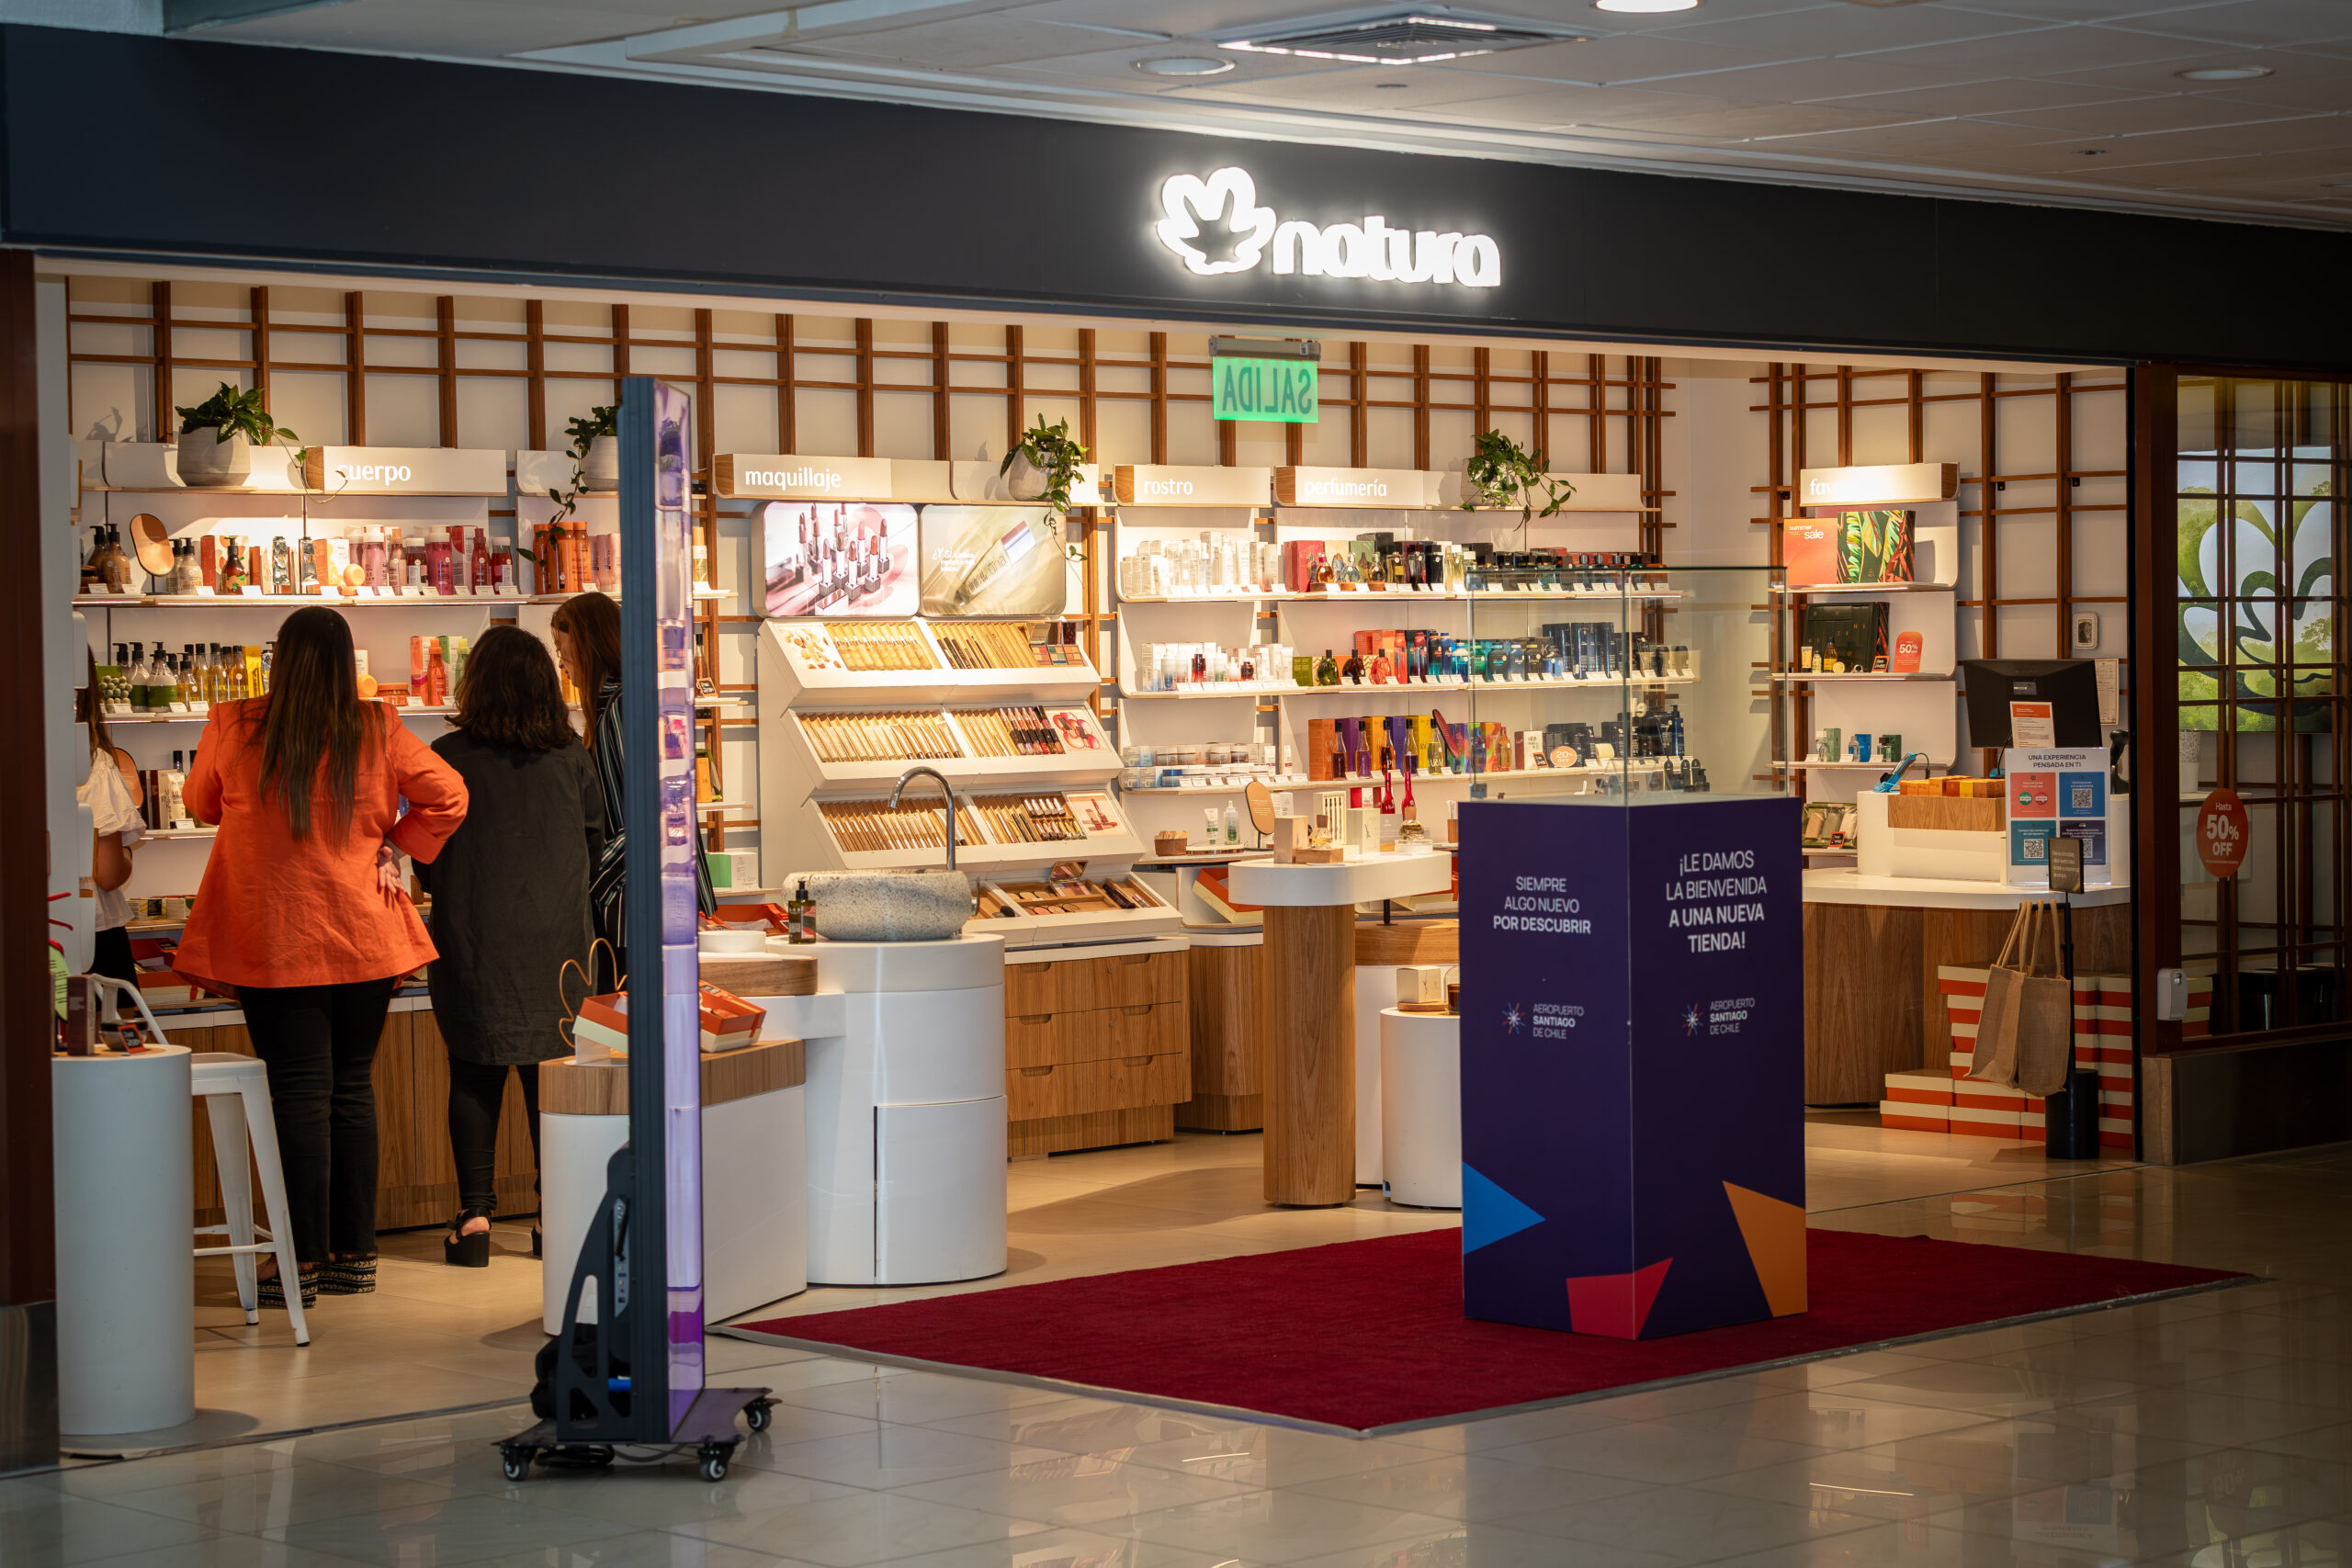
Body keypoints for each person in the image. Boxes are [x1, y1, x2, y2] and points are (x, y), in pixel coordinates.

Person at [175, 607, 468, 1309]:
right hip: (364, 930)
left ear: (278, 659)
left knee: (298, 1091)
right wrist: (396, 844)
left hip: (272, 934)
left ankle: (298, 1260)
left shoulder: (235, 722)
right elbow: (450, 795)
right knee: (350, 1087)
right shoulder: (376, 725)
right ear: (344, 663)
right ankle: (353, 1254)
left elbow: (201, 802)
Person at [413, 626, 605, 1267]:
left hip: (473, 938)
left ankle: (474, 1218)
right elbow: (595, 843)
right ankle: (554, 1216)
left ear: (477, 684)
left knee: (473, 1071)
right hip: (559, 945)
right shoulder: (571, 756)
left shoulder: (446, 755)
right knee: (551, 1076)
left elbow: (426, 856)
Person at [548, 592, 712, 989]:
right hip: (641, 900)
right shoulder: (622, 704)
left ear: (588, 649)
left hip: (638, 903)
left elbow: (662, 811)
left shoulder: (625, 708)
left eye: (565, 653)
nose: (562, 665)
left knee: (634, 1017)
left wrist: (595, 870)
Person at [77, 649, 142, 986]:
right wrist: (126, 854)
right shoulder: (94, 764)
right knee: (104, 1020)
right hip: (91, 933)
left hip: (26, 932)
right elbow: (108, 873)